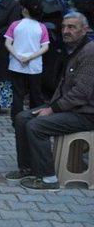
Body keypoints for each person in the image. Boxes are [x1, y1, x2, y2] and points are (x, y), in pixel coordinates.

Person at [6, 12, 94, 191]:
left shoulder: (89, 52)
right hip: (69, 107)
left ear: (85, 30)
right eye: (64, 27)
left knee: (37, 126)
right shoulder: (73, 49)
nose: (66, 31)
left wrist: (52, 109)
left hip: (85, 113)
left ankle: (48, 178)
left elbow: (81, 93)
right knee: (22, 117)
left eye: (72, 27)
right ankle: (28, 168)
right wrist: (52, 106)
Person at [4, 0, 49, 121]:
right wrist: (30, 57)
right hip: (35, 66)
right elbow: (45, 47)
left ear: (24, 10)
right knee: (36, 94)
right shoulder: (42, 27)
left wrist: (19, 57)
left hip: (15, 65)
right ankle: (36, 118)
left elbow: (7, 43)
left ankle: (16, 119)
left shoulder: (15, 25)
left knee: (18, 94)